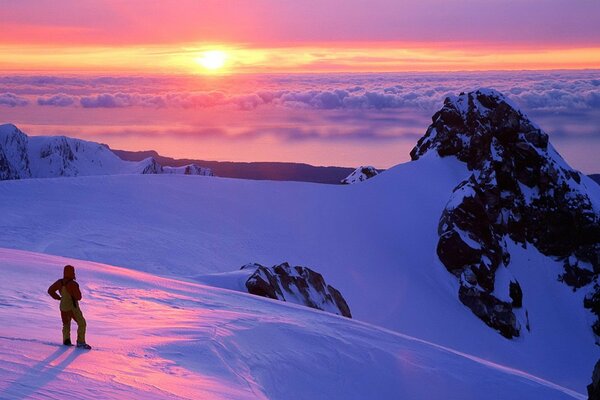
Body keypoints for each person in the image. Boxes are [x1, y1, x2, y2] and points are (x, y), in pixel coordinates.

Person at [47, 265, 91, 349]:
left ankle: (66, 340)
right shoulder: (73, 284)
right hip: (72, 307)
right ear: (72, 272)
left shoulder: (60, 282)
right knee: (82, 323)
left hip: (63, 306)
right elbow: (78, 297)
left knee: (66, 324)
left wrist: (59, 298)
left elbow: (50, 290)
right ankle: (81, 342)